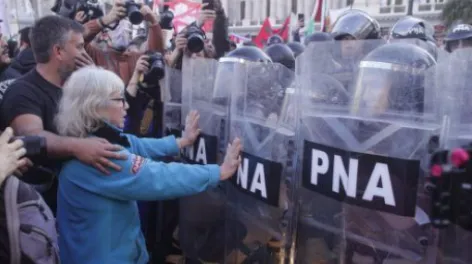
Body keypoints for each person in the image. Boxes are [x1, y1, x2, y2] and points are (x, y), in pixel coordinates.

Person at [55, 66, 242, 264]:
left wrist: (181, 142)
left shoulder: (93, 139)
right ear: (94, 106)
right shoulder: (99, 155)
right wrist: (218, 172)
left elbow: (135, 144)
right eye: (119, 99)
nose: (126, 106)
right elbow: (157, 177)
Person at [0, 15, 126, 213]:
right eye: (79, 47)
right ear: (58, 51)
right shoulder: (22, 91)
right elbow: (33, 137)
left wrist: (95, 79)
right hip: (43, 208)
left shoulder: (72, 88)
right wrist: (78, 146)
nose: (85, 53)